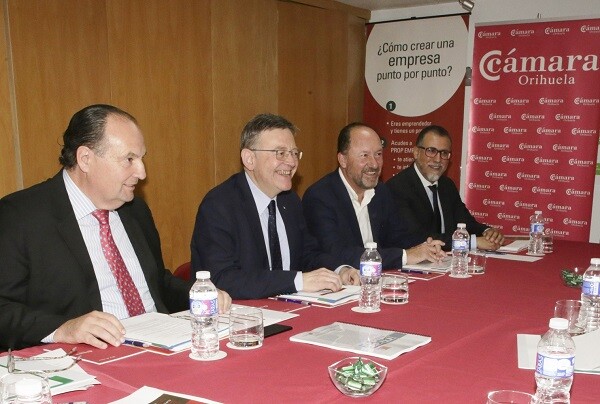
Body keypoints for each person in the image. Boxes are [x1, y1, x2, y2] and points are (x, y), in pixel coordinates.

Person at [0, 104, 231, 350]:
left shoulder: (135, 209)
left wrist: (198, 295)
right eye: (129, 159)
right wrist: (64, 328)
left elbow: (156, 283)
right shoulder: (21, 215)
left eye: (141, 158)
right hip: (91, 356)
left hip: (162, 345)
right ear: (85, 159)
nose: (142, 172)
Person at [191, 113, 360, 299]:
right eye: (280, 153)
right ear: (249, 159)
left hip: (289, 309)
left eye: (294, 153)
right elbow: (223, 279)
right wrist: (297, 281)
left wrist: (339, 270)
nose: (292, 162)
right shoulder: (219, 206)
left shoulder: (290, 200)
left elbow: (307, 255)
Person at [302, 123, 445, 269]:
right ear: (343, 160)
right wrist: (406, 256)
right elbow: (337, 253)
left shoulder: (381, 192)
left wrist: (425, 247)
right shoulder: (320, 197)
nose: (374, 164)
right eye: (364, 155)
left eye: (378, 154)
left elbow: (398, 236)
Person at [386, 125, 504, 250]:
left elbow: (465, 223)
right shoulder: (397, 188)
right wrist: (471, 242)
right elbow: (417, 238)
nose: (438, 159)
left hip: (448, 259)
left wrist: (488, 232)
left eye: (444, 153)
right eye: (431, 151)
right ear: (416, 152)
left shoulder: (447, 185)